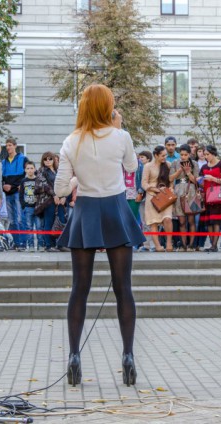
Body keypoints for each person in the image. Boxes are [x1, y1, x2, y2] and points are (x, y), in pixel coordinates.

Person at [54, 84, 145, 387]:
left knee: (79, 288)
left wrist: (81, 175)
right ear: (108, 108)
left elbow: (60, 190)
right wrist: (119, 129)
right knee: (124, 289)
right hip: (117, 210)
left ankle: (74, 355)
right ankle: (129, 355)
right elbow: (132, 167)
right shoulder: (121, 137)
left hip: (86, 213)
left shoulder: (71, 141)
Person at [142, 145, 174, 252]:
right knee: (153, 222)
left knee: (168, 219)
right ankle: (158, 246)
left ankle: (169, 243)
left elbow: (171, 181)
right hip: (152, 197)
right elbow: (144, 183)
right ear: (156, 155)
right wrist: (155, 190)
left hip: (165, 197)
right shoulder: (148, 166)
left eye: (165, 155)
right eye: (162, 155)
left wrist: (170, 189)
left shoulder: (168, 165)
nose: (164, 157)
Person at [199, 145, 221, 252]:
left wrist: (213, 178)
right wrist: (200, 181)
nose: (206, 157)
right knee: (209, 222)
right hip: (207, 196)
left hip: (218, 196)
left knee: (216, 221)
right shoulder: (204, 167)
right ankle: (213, 244)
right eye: (205, 155)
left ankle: (215, 245)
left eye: (208, 154)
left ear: (213, 153)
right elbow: (201, 182)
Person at [170, 144, 199, 251]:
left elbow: (196, 180)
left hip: (190, 190)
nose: (183, 157)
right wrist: (179, 171)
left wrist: (188, 172)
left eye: (185, 154)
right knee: (181, 220)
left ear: (189, 154)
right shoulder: (174, 163)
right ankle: (183, 245)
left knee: (191, 220)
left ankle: (191, 245)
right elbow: (170, 178)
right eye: (181, 154)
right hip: (178, 191)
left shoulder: (194, 163)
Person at [2, 138, 29, 250]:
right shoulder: (3, 161)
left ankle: (23, 243)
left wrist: (21, 186)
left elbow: (29, 173)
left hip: (18, 193)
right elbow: (2, 177)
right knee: (12, 220)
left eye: (10, 145)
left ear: (15, 146)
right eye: (7, 146)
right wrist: (3, 185)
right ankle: (16, 243)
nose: (8, 147)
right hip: (8, 193)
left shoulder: (23, 158)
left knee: (19, 218)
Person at [36, 152, 66, 252]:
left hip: (60, 201)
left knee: (61, 221)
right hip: (48, 201)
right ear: (42, 161)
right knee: (49, 222)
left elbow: (64, 183)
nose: (48, 161)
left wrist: (64, 196)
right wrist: (54, 195)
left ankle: (60, 244)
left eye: (50, 159)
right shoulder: (41, 170)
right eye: (45, 159)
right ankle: (49, 245)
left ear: (54, 159)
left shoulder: (58, 171)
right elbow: (43, 185)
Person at [20, 161, 40, 252]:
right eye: (28, 168)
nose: (30, 170)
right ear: (25, 170)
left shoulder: (38, 180)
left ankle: (41, 244)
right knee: (29, 227)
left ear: (35, 169)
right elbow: (21, 194)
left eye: (31, 168)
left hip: (38, 208)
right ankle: (31, 245)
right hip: (28, 207)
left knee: (39, 226)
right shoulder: (23, 181)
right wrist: (23, 205)